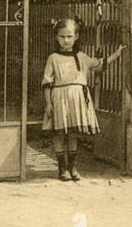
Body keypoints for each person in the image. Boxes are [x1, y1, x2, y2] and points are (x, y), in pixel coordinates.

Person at [41, 17, 125, 181]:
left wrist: (117, 53)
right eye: (62, 37)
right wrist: (48, 104)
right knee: (59, 134)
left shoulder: (81, 57)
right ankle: (62, 169)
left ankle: (72, 168)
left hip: (78, 100)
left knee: (73, 134)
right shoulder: (53, 58)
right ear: (57, 38)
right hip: (59, 99)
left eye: (69, 36)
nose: (66, 40)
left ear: (76, 37)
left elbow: (99, 64)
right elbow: (47, 83)